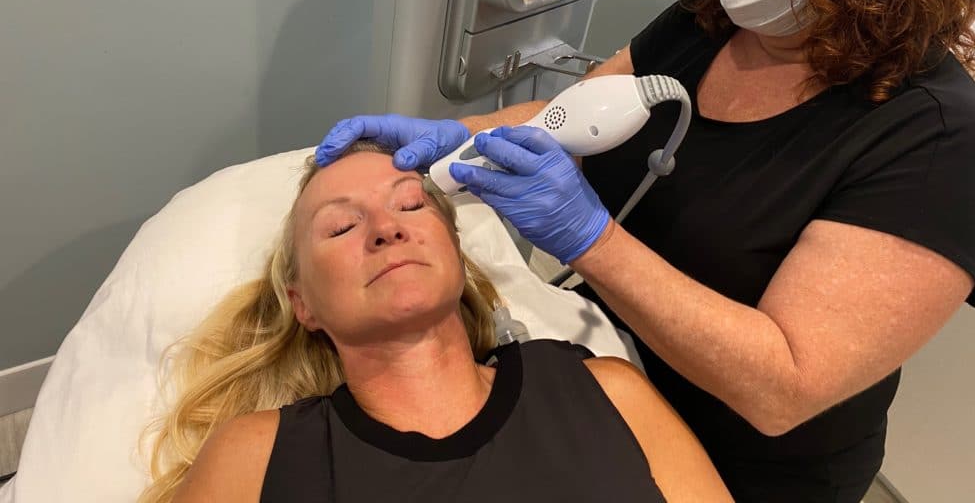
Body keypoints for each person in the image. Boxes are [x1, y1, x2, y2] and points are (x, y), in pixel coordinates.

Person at [314, 0, 975, 503]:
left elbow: (784, 387)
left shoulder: (935, 140)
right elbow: (569, 115)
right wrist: (452, 135)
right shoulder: (712, 21)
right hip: (599, 388)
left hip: (744, 467)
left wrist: (591, 241)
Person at [139, 142, 732, 503]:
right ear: (304, 305)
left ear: (452, 246)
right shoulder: (261, 455)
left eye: (410, 204)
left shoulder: (606, 394)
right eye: (341, 228)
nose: (386, 228)